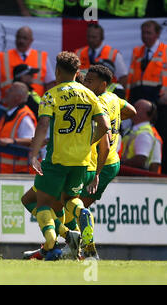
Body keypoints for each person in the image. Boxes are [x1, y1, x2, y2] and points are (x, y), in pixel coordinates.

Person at [27, 51, 110, 260]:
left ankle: (51, 242)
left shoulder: (51, 94)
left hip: (57, 160)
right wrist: (89, 141)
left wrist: (33, 154)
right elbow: (105, 126)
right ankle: (82, 217)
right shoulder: (90, 95)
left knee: (42, 204)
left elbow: (44, 124)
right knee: (71, 199)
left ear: (57, 71)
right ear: (77, 72)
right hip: (81, 161)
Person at [78, 64, 137, 258]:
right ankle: (73, 247)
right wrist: (116, 120)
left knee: (77, 206)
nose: (85, 83)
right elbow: (132, 111)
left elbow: (103, 134)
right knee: (75, 205)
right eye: (85, 80)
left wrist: (96, 171)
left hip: (102, 163)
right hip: (108, 161)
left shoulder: (99, 103)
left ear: (103, 84)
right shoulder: (113, 98)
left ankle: (88, 250)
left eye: (89, 80)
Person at [127, 20, 166, 173]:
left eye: (149, 32)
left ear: (157, 34)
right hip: (140, 98)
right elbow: (131, 77)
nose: (145, 36)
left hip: (159, 101)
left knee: (159, 137)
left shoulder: (165, 51)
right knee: (138, 136)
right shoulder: (137, 52)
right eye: (143, 32)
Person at [0, 26, 56, 102]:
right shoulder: (4, 57)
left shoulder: (42, 57)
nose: (21, 41)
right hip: (9, 106)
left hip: (36, 106)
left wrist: (50, 104)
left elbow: (50, 83)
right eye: (19, 37)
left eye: (25, 38)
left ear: (31, 40)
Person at [0, 82, 37, 174]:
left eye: (11, 90)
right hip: (2, 171)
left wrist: (13, 141)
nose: (7, 91)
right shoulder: (8, 114)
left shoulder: (24, 116)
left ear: (18, 98)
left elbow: (33, 140)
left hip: (18, 174)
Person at [121, 99, 162, 173]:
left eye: (136, 108)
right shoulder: (133, 130)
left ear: (147, 114)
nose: (132, 109)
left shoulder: (144, 134)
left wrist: (119, 164)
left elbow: (140, 160)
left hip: (133, 177)